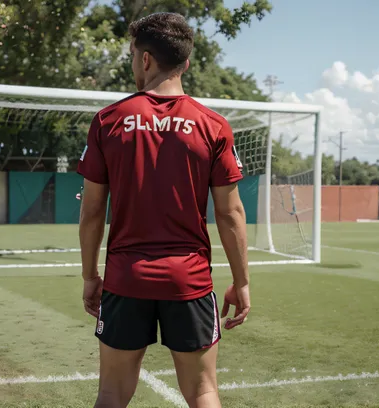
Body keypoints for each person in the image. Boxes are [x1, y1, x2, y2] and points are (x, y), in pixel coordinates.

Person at [77, 12, 251, 408]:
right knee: (203, 391)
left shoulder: (108, 120)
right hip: (187, 281)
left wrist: (91, 276)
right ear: (185, 63)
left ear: (144, 59)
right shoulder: (213, 125)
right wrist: (241, 282)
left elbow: (90, 214)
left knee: (111, 393)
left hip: (125, 278)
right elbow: (230, 214)